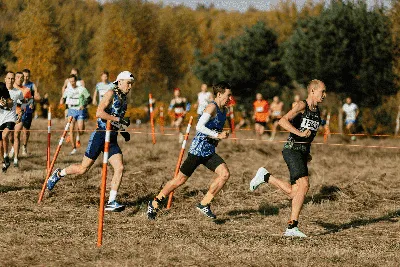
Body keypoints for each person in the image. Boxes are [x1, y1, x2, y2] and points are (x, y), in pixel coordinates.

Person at [47, 71, 134, 211]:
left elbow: (115, 117)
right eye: (128, 83)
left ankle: (111, 201)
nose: (130, 86)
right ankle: (58, 173)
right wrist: (119, 120)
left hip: (111, 138)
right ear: (120, 82)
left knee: (120, 167)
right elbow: (99, 113)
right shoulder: (110, 93)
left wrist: (123, 132)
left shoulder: (124, 99)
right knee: (83, 169)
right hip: (100, 135)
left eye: (131, 84)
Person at [250, 79, 326, 237]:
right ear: (312, 91)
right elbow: (282, 121)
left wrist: (307, 152)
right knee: (304, 185)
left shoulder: (317, 111)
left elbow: (309, 135)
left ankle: (265, 176)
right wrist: (299, 134)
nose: (324, 95)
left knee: (294, 193)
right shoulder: (301, 106)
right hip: (292, 149)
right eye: (322, 91)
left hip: (302, 152)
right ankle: (292, 227)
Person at [147, 82, 232, 220]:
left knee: (224, 174)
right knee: (179, 180)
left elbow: (213, 128)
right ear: (219, 94)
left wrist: (221, 133)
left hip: (209, 152)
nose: (230, 99)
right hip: (197, 151)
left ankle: (204, 204)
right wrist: (217, 135)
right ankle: (155, 202)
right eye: (228, 95)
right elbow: (199, 127)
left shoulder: (224, 111)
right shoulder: (212, 107)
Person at [60, 74, 91, 155]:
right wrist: (62, 101)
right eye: (70, 82)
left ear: (76, 81)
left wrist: (84, 105)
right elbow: (64, 98)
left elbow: (89, 99)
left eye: (73, 81)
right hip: (71, 110)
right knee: (71, 128)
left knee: (81, 130)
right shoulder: (68, 90)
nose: (72, 83)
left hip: (80, 110)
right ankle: (74, 148)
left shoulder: (81, 89)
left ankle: (78, 135)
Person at [9, 72, 32, 167]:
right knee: (10, 136)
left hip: (20, 114)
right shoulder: (9, 88)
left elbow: (28, 102)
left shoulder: (26, 90)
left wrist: (27, 105)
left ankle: (15, 159)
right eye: (18, 77)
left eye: (21, 77)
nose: (20, 79)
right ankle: (13, 148)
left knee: (17, 134)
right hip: (9, 115)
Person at [2, 72, 23, 172]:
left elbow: (24, 103)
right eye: (9, 78)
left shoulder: (18, 92)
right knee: (1, 144)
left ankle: (8, 157)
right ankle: (5, 159)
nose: (10, 80)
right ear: (5, 79)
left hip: (11, 119)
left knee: (4, 135)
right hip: (0, 119)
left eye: (12, 79)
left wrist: (21, 113)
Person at [61, 68, 85, 146]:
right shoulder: (67, 80)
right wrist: (63, 97)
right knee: (68, 120)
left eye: (75, 74)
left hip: (78, 105)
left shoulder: (81, 82)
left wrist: (83, 103)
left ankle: (77, 137)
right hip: (69, 104)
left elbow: (84, 92)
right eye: (72, 73)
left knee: (79, 127)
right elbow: (63, 88)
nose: (74, 75)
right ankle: (70, 135)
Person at [22, 69, 41, 155]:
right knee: (15, 131)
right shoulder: (17, 84)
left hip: (28, 109)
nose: (25, 78)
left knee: (26, 131)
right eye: (24, 76)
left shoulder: (32, 85)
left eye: (27, 76)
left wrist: (34, 98)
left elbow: (37, 96)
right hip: (18, 109)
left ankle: (24, 147)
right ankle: (13, 148)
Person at [0, 82, 14, 171]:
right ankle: (4, 162)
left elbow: (10, 103)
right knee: (0, 144)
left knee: (5, 136)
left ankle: (6, 156)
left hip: (8, 118)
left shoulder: (2, 87)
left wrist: (5, 103)